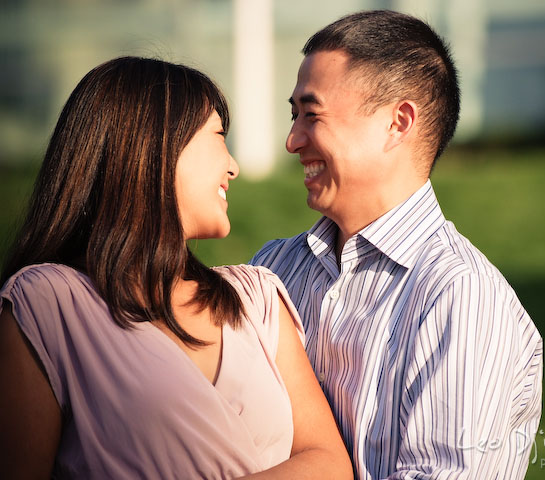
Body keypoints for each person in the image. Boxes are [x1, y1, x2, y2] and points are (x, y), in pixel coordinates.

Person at [0, 56, 352, 479]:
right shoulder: (46, 305)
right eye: (219, 136)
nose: (233, 166)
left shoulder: (256, 297)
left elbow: (329, 462)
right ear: (153, 146)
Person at [250, 10, 543, 479]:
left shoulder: (461, 297)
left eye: (312, 113)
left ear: (398, 122)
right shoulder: (272, 271)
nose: (292, 139)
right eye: (293, 115)